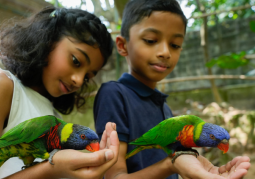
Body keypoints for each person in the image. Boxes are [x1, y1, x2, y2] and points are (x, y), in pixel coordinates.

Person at [0, 7, 120, 179]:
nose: (78, 80)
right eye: (76, 61)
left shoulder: (54, 118)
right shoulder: (1, 86)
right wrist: (50, 169)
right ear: (48, 40)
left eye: (87, 77)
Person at [93, 0, 251, 179]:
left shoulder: (163, 106)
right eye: (151, 40)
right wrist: (171, 165)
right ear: (122, 45)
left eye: (175, 44)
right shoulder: (114, 95)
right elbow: (115, 177)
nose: (165, 52)